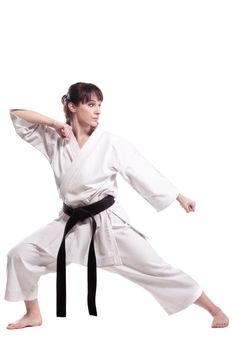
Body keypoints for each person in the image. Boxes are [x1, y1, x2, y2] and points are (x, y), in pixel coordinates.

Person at [5, 82, 229, 330]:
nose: (98, 110)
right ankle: (33, 314)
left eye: (100, 105)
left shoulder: (110, 142)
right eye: (91, 104)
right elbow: (16, 114)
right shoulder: (55, 139)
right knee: (21, 254)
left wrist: (178, 196)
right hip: (70, 223)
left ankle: (214, 309)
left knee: (156, 268)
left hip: (108, 225)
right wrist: (56, 124)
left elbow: (141, 171)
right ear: (72, 106)